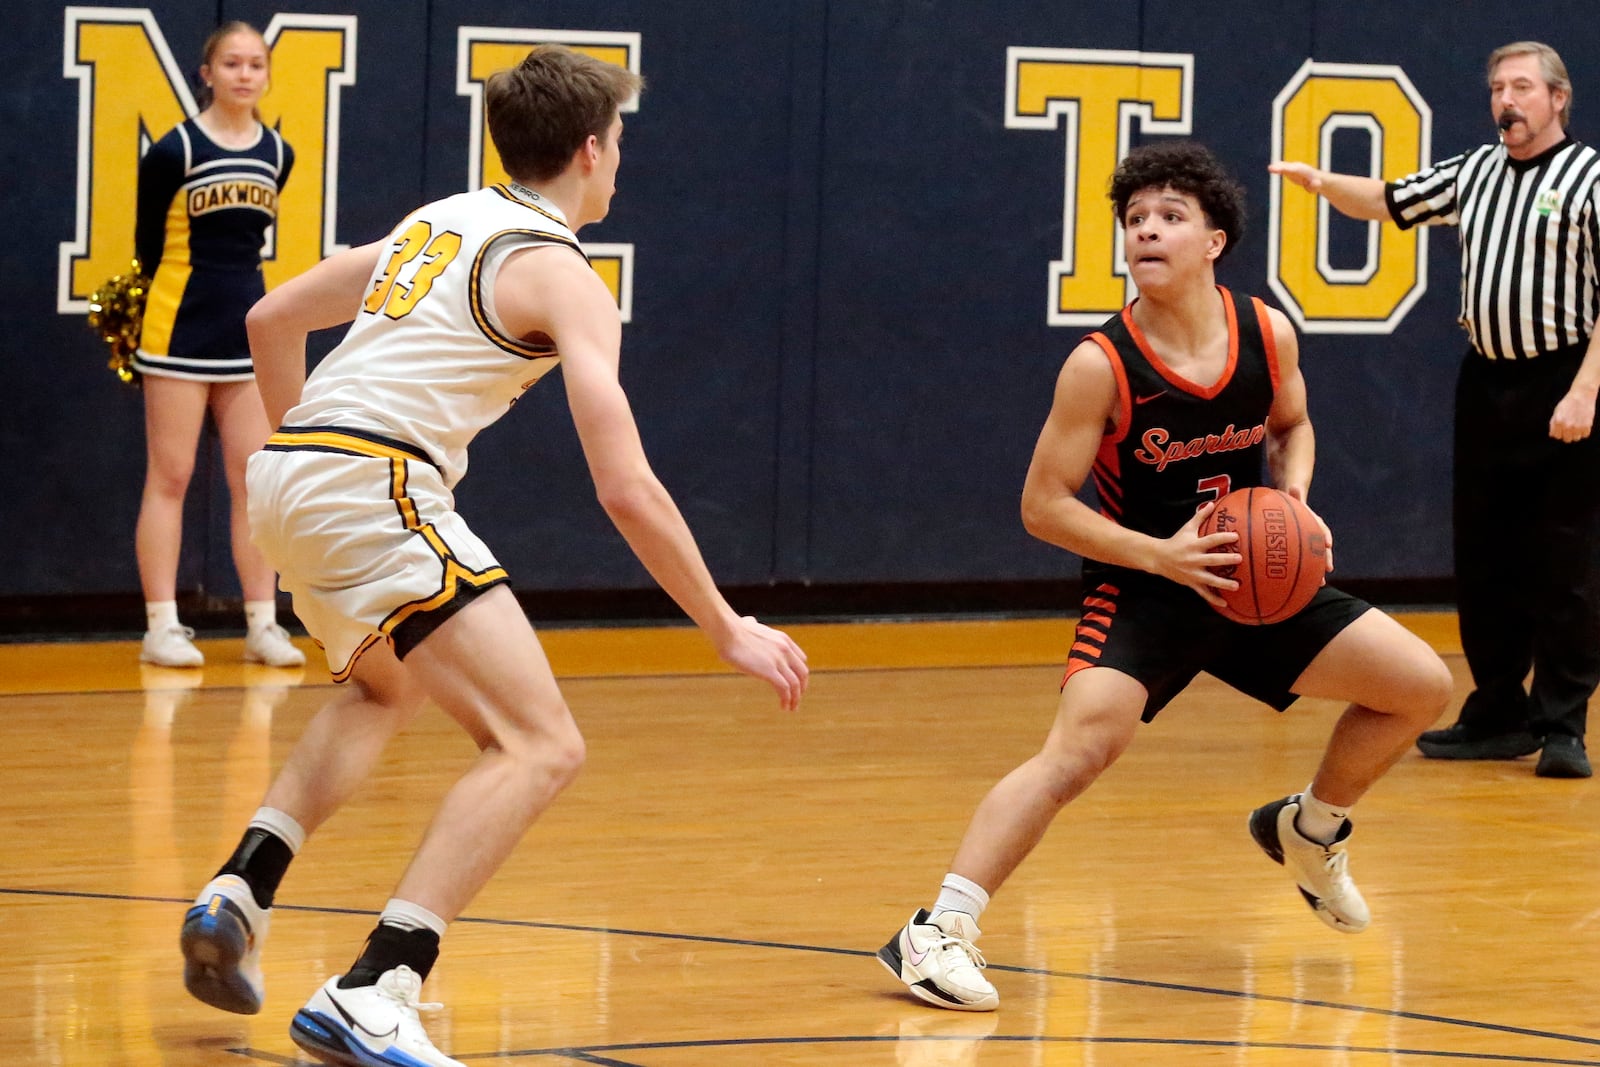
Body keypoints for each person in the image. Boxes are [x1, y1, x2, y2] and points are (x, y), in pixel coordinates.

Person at [176, 44, 809, 1067]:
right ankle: (378, 984)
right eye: (619, 148)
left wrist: (306, 446)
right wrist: (725, 624)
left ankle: (241, 884)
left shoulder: (443, 218)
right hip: (372, 483)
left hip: (291, 480)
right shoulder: (563, 274)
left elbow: (269, 314)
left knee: (385, 689)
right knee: (539, 742)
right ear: (593, 150)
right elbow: (625, 486)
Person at [876, 142, 1453, 1012]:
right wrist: (1161, 555)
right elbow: (1041, 505)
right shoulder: (1100, 365)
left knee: (1420, 686)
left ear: (1214, 239)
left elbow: (1293, 426)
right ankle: (936, 929)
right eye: (1136, 219)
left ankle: (1310, 827)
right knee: (1080, 749)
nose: (1148, 229)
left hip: (1254, 574)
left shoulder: (1266, 331)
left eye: (1170, 216)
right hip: (1145, 582)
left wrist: (1293, 501)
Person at [1271, 41, 1600, 779]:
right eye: (1495, 89)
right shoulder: (1475, 172)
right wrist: (1321, 181)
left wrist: (1586, 389)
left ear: (1558, 99)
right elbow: (1390, 199)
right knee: (1485, 555)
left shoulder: (1592, 179)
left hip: (1565, 383)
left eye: (1521, 87)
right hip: (1486, 382)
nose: (1505, 101)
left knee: (1564, 561)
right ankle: (1496, 710)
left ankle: (1562, 723)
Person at [132, 21, 304, 669]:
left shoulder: (278, 154)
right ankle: (161, 626)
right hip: (178, 327)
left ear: (265, 75)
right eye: (231, 63)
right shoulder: (173, 151)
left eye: (255, 65)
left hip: (244, 332)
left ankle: (261, 622)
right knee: (170, 476)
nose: (243, 75)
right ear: (206, 73)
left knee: (253, 481)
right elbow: (148, 245)